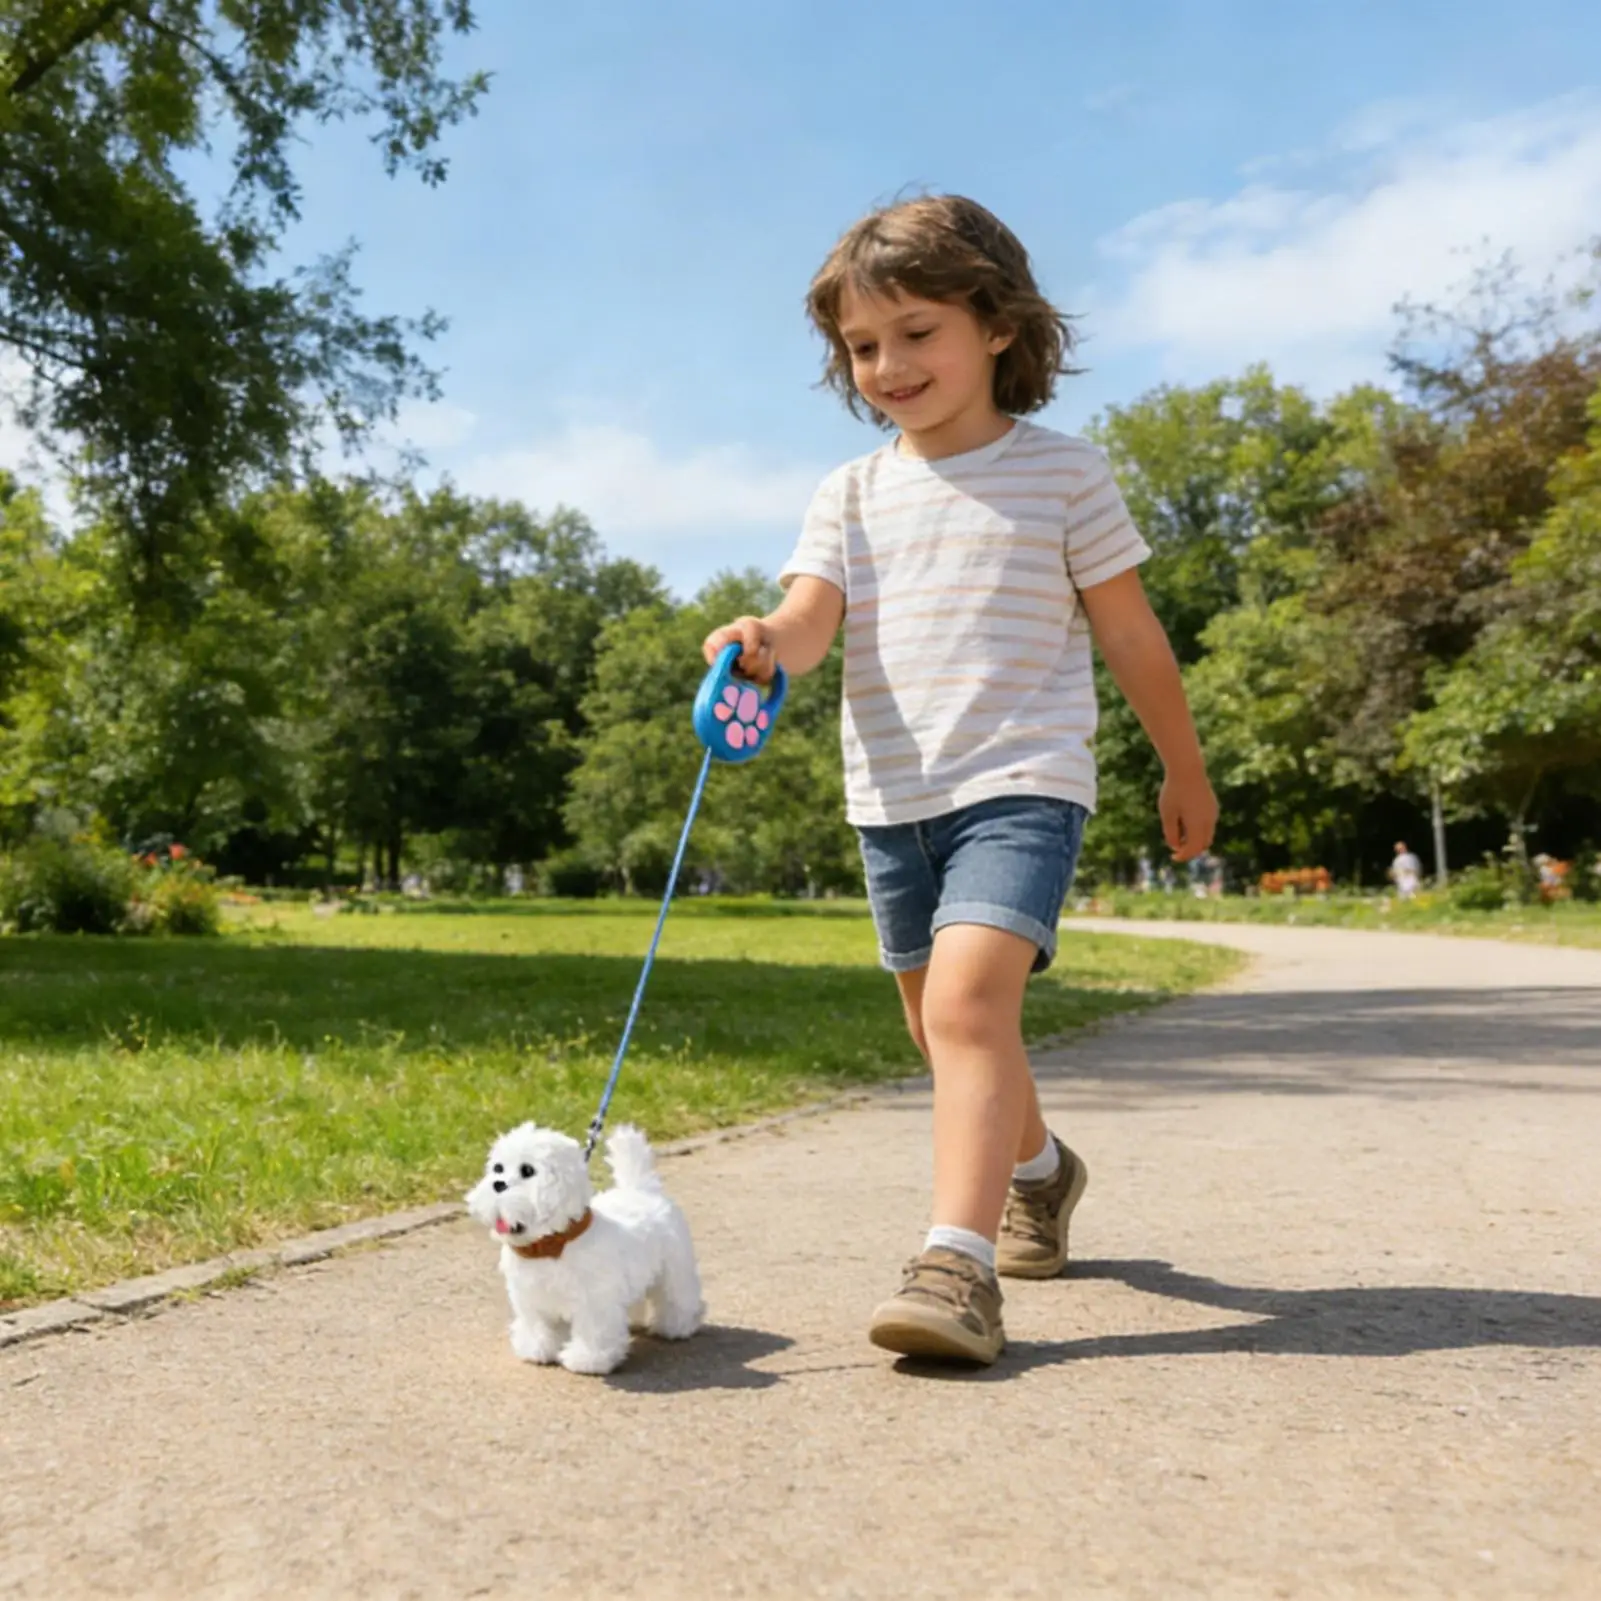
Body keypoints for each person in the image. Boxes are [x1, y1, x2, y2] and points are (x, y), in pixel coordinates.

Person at [702, 195, 1217, 1366]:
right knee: (939, 1028)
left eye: (915, 331)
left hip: (1023, 781)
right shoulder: (847, 492)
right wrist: (767, 638)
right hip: (892, 799)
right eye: (861, 344)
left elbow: (1130, 634)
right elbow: (810, 616)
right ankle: (1039, 1169)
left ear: (995, 324)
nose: (886, 364)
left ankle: (955, 1266)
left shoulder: (1063, 475)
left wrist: (1181, 765)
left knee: (967, 1008)